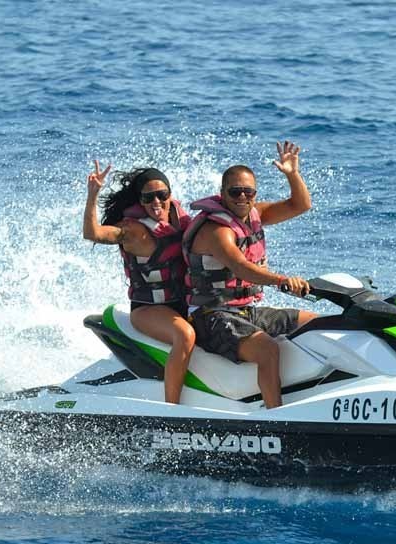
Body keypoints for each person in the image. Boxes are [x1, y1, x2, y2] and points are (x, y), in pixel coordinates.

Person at [182, 140, 317, 408]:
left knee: (316, 323)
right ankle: (275, 416)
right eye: (235, 191)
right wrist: (282, 280)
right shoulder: (216, 232)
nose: (242, 197)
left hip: (246, 312)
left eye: (248, 191)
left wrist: (292, 174)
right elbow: (241, 267)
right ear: (222, 193)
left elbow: (300, 205)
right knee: (268, 349)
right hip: (211, 317)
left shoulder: (255, 214)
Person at [82, 161, 196, 404]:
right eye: (148, 197)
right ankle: (172, 408)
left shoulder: (181, 220)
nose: (156, 202)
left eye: (162, 195)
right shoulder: (132, 231)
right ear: (140, 201)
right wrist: (93, 195)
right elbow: (93, 233)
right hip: (148, 309)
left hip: (183, 304)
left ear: (170, 195)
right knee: (185, 335)